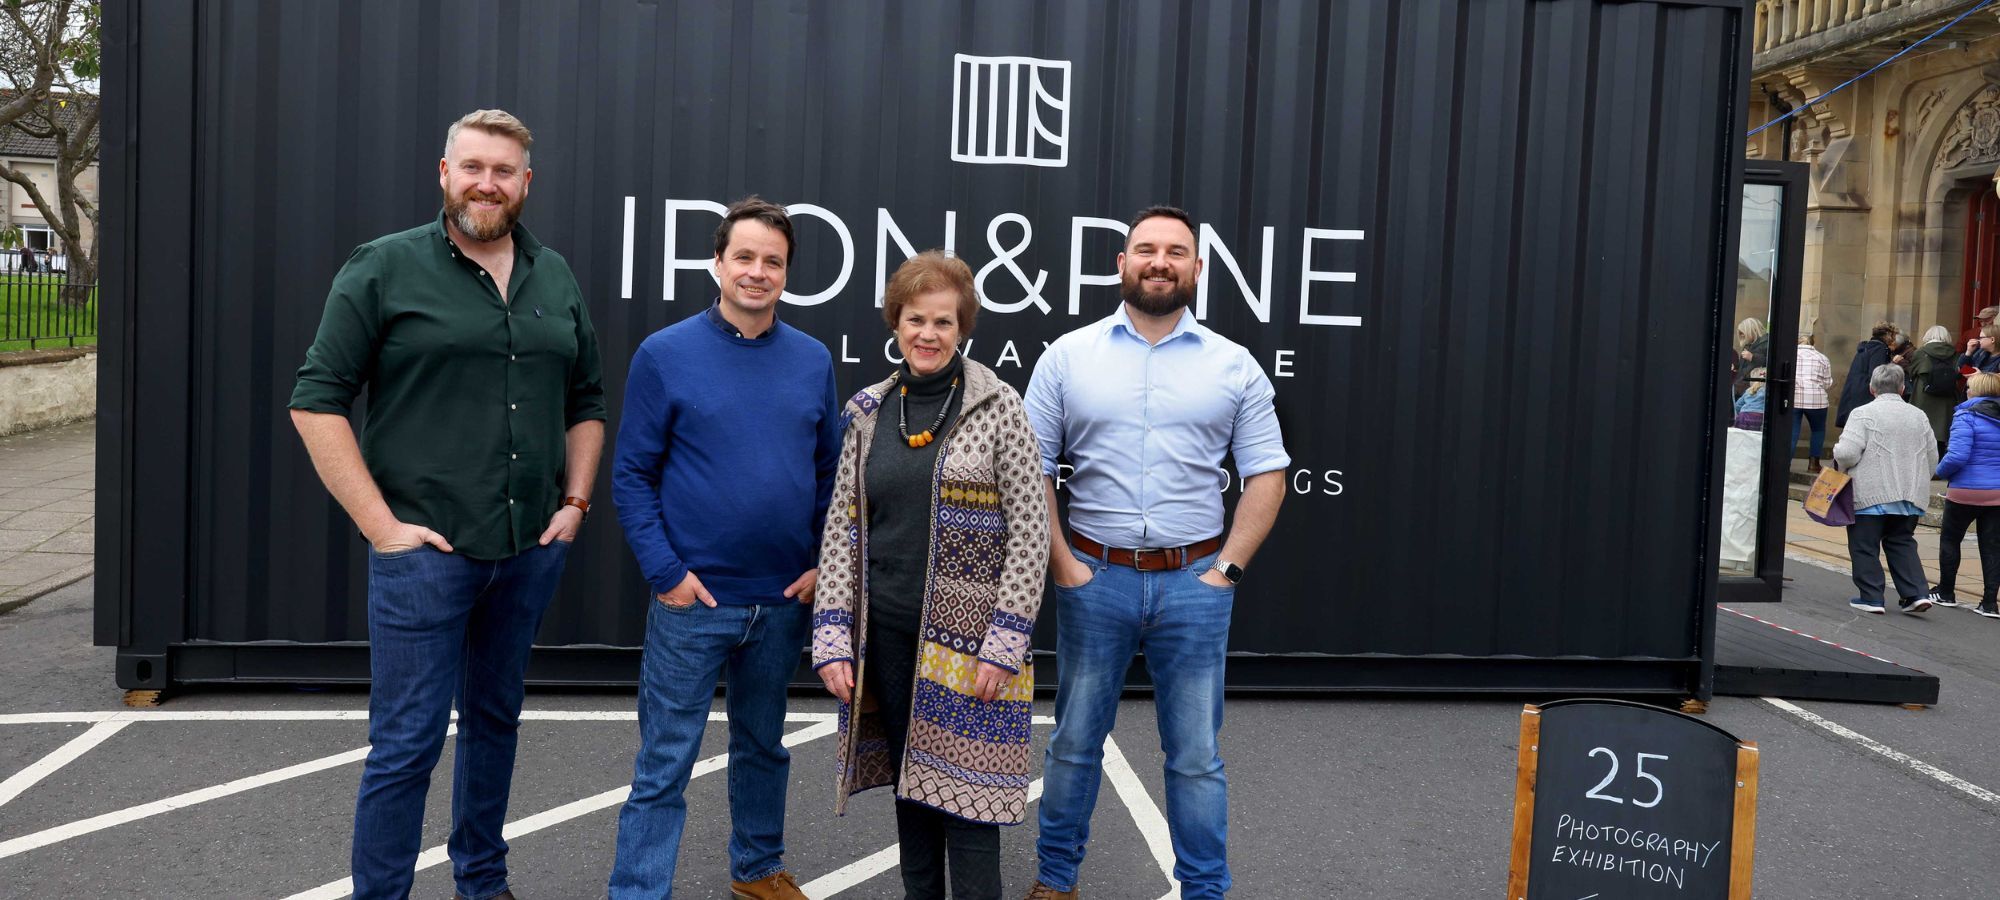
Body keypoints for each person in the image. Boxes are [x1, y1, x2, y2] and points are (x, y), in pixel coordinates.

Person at [288, 109, 606, 900]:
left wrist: (574, 502)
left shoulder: (554, 275)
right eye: (473, 167)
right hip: (424, 561)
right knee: (405, 747)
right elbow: (316, 400)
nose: (487, 184)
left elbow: (587, 400)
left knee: (495, 728)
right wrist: (381, 527)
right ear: (444, 173)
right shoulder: (385, 267)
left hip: (527, 552)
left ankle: (483, 883)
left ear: (525, 182)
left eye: (503, 171)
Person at [1019, 206, 1289, 900]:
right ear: (1121, 264)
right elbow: (1031, 470)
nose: (1159, 261)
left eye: (1176, 251)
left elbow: (1267, 473)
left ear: (1197, 268)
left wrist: (1226, 571)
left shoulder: (1234, 365)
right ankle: (1055, 883)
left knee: (1196, 756)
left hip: (1195, 584)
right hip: (1093, 577)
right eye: (1145, 249)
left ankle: (1205, 891)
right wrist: (1065, 567)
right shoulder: (1068, 356)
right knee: (1074, 743)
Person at [608, 196, 837, 900]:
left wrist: (821, 565)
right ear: (717, 262)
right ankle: (639, 891)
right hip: (693, 600)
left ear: (787, 273)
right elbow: (631, 474)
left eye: (773, 261)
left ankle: (759, 870)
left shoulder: (811, 360)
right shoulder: (666, 354)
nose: (758, 272)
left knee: (764, 748)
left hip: (779, 599)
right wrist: (667, 573)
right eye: (745, 257)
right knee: (665, 761)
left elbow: (831, 475)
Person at [811, 251, 1050, 900]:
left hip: (972, 650)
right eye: (916, 318)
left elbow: (1031, 537)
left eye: (943, 322)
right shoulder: (867, 411)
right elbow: (842, 531)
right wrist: (832, 636)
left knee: (971, 813)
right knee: (913, 800)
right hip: (887, 639)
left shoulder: (999, 407)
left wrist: (1004, 645)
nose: (927, 333)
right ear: (896, 321)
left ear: (963, 328)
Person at [1834, 364, 1939, 615]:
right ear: (1903, 388)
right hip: (1909, 494)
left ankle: (1871, 597)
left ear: (1872, 388)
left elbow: (1847, 453)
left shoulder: (1862, 413)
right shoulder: (1919, 415)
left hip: (1872, 494)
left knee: (1864, 545)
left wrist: (1838, 454)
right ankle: (1916, 593)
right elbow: (1932, 456)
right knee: (1901, 541)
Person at [1929, 372, 2000, 619]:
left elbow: (1957, 455)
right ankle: (1990, 603)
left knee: (1950, 539)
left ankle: (1946, 592)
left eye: (1969, 386)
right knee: (1992, 547)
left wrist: (1938, 471)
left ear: (1977, 391)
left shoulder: (1966, 415)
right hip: (1997, 493)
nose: (1966, 390)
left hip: (1965, 489)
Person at [1835, 322, 1898, 428]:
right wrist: (1893, 365)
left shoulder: (1867, 347)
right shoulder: (1880, 349)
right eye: (1893, 335)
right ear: (1887, 335)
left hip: (1856, 391)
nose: (1894, 339)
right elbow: (1877, 374)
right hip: (1867, 394)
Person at [1912, 325, 1962, 456]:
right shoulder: (1955, 354)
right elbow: (1959, 372)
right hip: (1947, 396)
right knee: (1942, 429)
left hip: (1923, 395)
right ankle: (1939, 462)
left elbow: (1912, 371)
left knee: (1923, 428)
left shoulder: (1920, 352)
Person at [1793, 332, 1834, 473]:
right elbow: (1828, 382)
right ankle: (1813, 464)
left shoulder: (1791, 355)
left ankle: (1784, 464)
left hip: (1794, 398)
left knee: (1792, 431)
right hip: (1817, 400)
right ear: (1813, 343)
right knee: (1818, 430)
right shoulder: (1822, 358)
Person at [1732, 318, 1768, 398]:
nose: (1741, 335)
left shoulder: (1766, 343)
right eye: (1740, 333)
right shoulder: (1748, 344)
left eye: (1742, 333)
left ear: (1751, 331)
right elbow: (1745, 365)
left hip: (1754, 386)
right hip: (1744, 383)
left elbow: (1770, 362)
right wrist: (1736, 366)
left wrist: (1753, 357)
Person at [1963, 306, 1999, 370]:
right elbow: (1960, 370)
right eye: (1981, 321)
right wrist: (1968, 352)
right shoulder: (1981, 351)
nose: (1983, 324)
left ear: (1997, 320)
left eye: (1987, 320)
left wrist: (1981, 376)